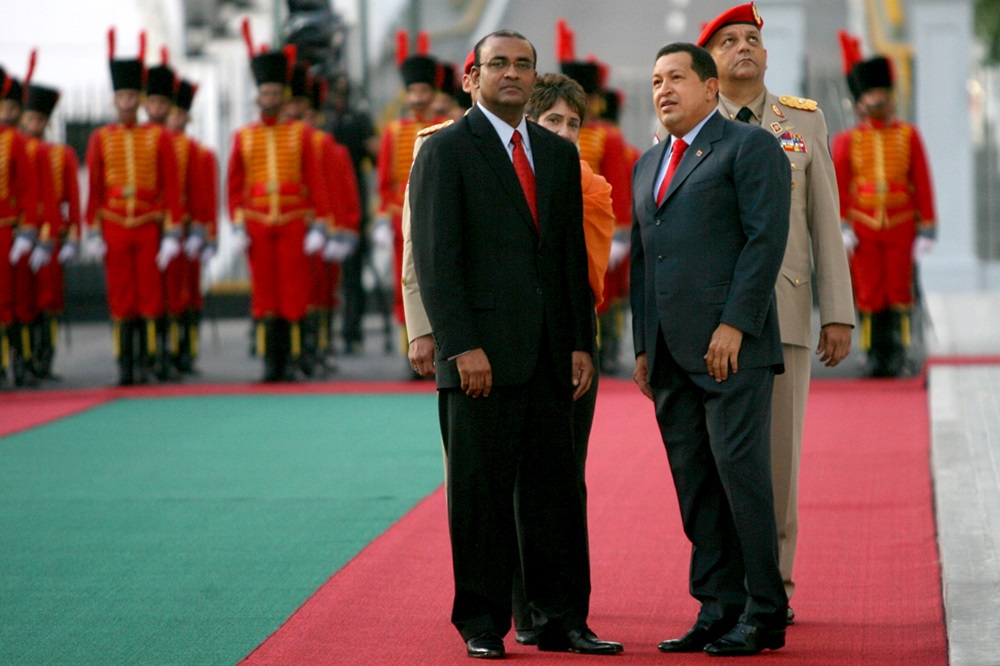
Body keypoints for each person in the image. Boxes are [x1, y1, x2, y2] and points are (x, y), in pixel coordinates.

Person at [410, 30, 620, 659]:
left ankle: (562, 619)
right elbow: (437, 260)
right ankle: (481, 622)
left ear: (534, 78)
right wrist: (460, 346)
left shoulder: (556, 158)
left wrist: (581, 344)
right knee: (480, 494)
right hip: (479, 358)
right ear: (472, 78)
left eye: (523, 65)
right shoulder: (445, 151)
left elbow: (564, 262)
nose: (512, 73)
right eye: (497, 63)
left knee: (556, 493)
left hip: (553, 357)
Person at [697, 1, 855, 625]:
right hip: (707, 322)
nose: (744, 49)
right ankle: (724, 587)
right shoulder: (688, 121)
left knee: (776, 462)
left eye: (752, 40)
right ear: (709, 59)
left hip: (783, 311)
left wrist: (836, 313)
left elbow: (824, 219)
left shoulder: (801, 123)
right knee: (712, 463)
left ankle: (775, 587)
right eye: (729, 40)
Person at [631, 42, 790, 656]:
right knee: (694, 484)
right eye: (654, 80)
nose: (663, 89)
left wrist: (736, 326)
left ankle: (765, 611)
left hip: (732, 350)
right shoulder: (648, 163)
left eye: (674, 78)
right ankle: (717, 607)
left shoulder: (749, 147)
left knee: (740, 479)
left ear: (707, 87)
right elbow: (644, 262)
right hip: (669, 355)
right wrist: (644, 346)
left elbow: (763, 241)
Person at [515, 70, 615, 646]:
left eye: (573, 124)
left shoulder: (589, 185)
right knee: (509, 478)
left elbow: (590, 276)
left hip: (568, 336)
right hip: (511, 340)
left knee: (561, 476)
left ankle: (557, 604)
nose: (564, 132)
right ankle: (520, 603)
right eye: (552, 121)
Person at [227, 20, 328, 382]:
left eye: (274, 93)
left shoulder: (301, 135)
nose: (269, 99)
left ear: (283, 96)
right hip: (256, 221)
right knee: (265, 295)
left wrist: (319, 224)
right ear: (258, 97)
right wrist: (237, 223)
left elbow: (314, 183)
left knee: (294, 293)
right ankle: (271, 363)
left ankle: (293, 360)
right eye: (265, 93)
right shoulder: (244, 137)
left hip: (294, 220)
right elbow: (235, 186)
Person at [85, 29, 181, 386]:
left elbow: (170, 186)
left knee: (151, 297)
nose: (126, 101)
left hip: (147, 223)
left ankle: (149, 360)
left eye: (131, 95)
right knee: (122, 298)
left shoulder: (158, 137)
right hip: (113, 224)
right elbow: (94, 188)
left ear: (139, 99)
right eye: (121, 95)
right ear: (115, 100)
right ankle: (125, 365)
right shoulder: (100, 138)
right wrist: (92, 229)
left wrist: (171, 232)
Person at [833, 55, 936, 378]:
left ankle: (901, 351)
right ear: (861, 101)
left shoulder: (909, 135)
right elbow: (839, 185)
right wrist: (843, 224)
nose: (876, 99)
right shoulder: (848, 140)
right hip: (863, 226)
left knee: (900, 291)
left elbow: (921, 181)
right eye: (870, 95)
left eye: (881, 93)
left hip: (901, 224)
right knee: (868, 292)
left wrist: (928, 229)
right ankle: (871, 354)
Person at [556, 20, 634, 376]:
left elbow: (618, 185)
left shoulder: (608, 137)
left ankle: (604, 347)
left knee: (602, 295)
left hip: (597, 226)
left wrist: (619, 234)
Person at [374, 32, 443, 344]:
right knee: (406, 280)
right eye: (413, 90)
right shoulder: (393, 131)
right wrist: (382, 214)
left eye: (423, 90)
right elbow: (384, 179)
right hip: (401, 218)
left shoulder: (447, 124)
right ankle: (411, 345)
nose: (417, 96)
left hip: (439, 217)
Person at [20, 74, 81, 380]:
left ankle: (45, 357)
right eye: (30, 117)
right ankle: (24, 358)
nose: (35, 124)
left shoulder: (61, 154)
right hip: (18, 233)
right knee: (21, 301)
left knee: (49, 301)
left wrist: (72, 236)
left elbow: (70, 199)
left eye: (40, 119)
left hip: (51, 235)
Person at [324, 73, 376, 356]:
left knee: (353, 275)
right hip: (325, 204)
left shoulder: (358, 120)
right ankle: (324, 334)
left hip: (352, 203)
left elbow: (376, 157)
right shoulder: (323, 121)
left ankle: (350, 331)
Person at [167, 78, 217, 374]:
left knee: (188, 294)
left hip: (187, 231)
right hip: (160, 230)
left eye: (178, 112)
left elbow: (205, 197)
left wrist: (206, 235)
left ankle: (186, 350)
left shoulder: (199, 153)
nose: (173, 118)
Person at [0, 65, 40, 388]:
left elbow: (28, 191)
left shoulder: (13, 141)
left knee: (8, 303)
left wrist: (27, 233)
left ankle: (16, 364)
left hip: (5, 231)